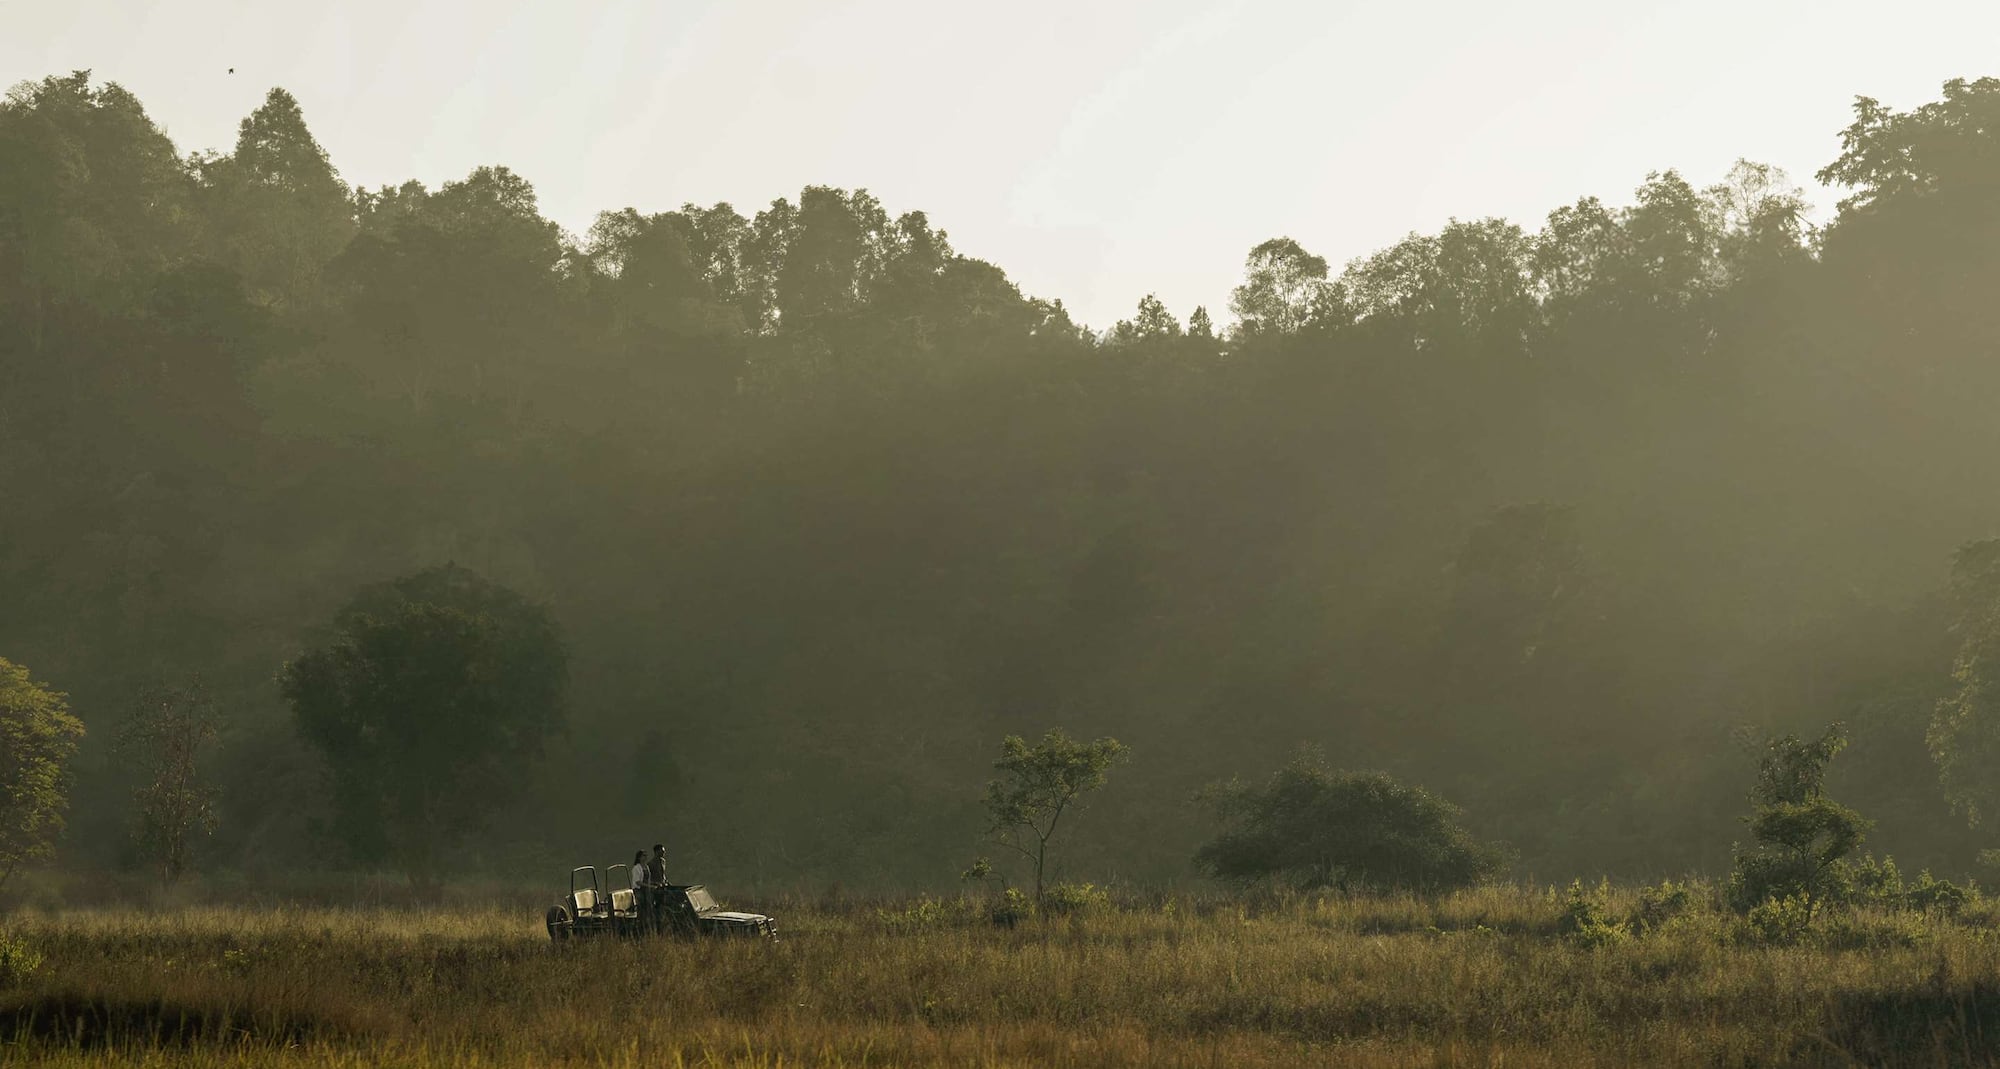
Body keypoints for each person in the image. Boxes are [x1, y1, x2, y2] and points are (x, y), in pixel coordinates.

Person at [646, 842, 670, 931]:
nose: (664, 853)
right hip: (655, 888)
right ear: (656, 852)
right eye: (662, 851)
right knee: (656, 907)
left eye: (664, 851)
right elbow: (648, 878)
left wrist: (667, 882)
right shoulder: (650, 864)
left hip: (663, 886)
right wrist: (655, 884)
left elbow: (663, 875)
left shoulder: (663, 861)